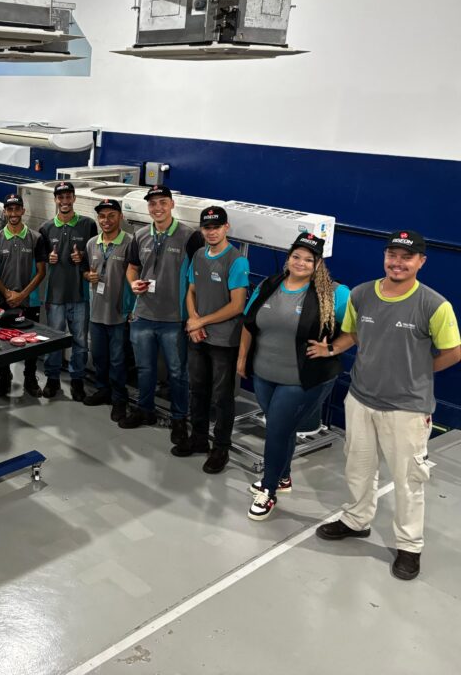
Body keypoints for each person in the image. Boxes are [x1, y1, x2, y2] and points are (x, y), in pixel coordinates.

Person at [314, 230, 460, 581]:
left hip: (407, 409)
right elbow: (353, 333)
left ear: (421, 262)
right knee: (358, 468)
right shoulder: (362, 294)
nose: (398, 263)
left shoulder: (434, 305)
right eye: (392, 255)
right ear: (384, 257)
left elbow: (453, 352)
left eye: (407, 257)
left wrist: (416, 374)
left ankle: (409, 545)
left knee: (408, 480)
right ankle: (356, 520)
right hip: (361, 399)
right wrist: (332, 349)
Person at [239, 232, 349, 521]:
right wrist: (241, 359)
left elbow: (357, 330)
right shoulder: (270, 284)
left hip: (303, 378)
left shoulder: (334, 294)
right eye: (296, 256)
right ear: (288, 258)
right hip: (264, 373)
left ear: (318, 264)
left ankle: (268, 489)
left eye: (308, 259)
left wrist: (332, 349)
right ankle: (283, 476)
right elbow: (249, 324)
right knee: (282, 428)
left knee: (276, 429)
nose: (301, 263)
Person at [174, 206, 250, 473]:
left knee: (221, 397)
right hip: (199, 337)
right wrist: (193, 320)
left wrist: (201, 321)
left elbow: (237, 305)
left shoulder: (236, 261)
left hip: (223, 341)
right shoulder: (198, 255)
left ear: (226, 227)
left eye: (216, 227)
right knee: (197, 390)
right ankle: (198, 439)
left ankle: (221, 448)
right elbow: (191, 291)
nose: (212, 232)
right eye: (207, 228)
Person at [123, 185, 204, 430]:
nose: (157, 208)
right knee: (145, 369)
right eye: (152, 203)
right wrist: (133, 283)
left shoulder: (190, 236)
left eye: (162, 202)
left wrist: (194, 316)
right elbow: (132, 268)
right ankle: (144, 410)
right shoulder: (140, 236)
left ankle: (179, 419)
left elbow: (198, 278)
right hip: (143, 315)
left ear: (171, 204)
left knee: (177, 373)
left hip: (174, 318)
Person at [38, 181, 97, 401]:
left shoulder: (88, 224)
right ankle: (52, 379)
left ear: (74, 198)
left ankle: (77, 380)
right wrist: (49, 258)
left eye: (68, 196)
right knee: (54, 339)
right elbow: (41, 260)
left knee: (80, 341)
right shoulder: (45, 228)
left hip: (80, 294)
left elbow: (94, 256)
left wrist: (82, 257)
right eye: (60, 197)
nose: (64, 201)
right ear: (55, 199)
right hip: (55, 295)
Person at [0, 194, 47, 398]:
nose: (13, 213)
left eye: (17, 209)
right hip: (3, 301)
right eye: (9, 209)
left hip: (30, 300)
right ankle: (4, 376)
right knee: (2, 341)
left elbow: (41, 272)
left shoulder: (36, 238)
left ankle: (30, 378)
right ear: (4, 212)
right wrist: (7, 294)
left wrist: (22, 295)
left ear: (23, 211)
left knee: (31, 342)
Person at [82, 198, 135, 422]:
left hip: (119, 313)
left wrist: (132, 309)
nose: (106, 220)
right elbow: (87, 270)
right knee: (99, 357)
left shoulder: (130, 243)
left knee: (118, 360)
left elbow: (136, 275)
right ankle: (103, 390)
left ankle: (119, 398)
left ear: (120, 217)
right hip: (97, 312)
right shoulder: (91, 243)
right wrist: (88, 275)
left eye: (111, 215)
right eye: (102, 216)